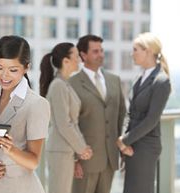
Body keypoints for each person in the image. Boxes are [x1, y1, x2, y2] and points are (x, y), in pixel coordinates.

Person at [0, 35, 50, 193]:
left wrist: (11, 150)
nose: (4, 75)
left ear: (26, 68)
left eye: (13, 70)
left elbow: (33, 161)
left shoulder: (36, 105)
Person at [69, 34, 126, 193]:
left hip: (110, 158)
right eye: (95, 51)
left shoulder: (114, 80)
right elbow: (69, 124)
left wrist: (122, 143)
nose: (100, 55)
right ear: (83, 55)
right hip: (85, 160)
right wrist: (74, 159)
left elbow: (122, 114)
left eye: (101, 50)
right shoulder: (72, 84)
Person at [116, 32, 171, 193]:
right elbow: (129, 113)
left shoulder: (161, 81)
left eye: (135, 49)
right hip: (131, 145)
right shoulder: (138, 79)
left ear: (147, 51)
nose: (132, 53)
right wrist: (124, 140)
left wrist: (125, 140)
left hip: (146, 147)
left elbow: (151, 119)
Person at [39, 42, 93, 193]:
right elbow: (64, 124)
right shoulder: (58, 86)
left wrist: (78, 152)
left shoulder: (64, 84)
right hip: (60, 151)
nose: (80, 60)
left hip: (65, 151)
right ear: (66, 61)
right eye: (76, 56)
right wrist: (82, 148)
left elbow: (70, 123)